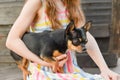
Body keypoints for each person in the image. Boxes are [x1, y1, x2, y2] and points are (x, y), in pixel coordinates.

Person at [6, 0, 120, 80]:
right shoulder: (37, 2)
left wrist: (105, 69)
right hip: (44, 72)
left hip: (71, 71)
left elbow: (87, 37)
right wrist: (45, 62)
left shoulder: (72, 3)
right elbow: (12, 40)